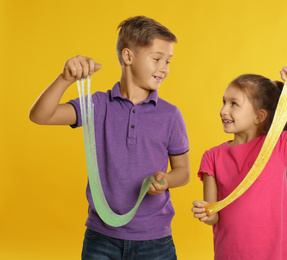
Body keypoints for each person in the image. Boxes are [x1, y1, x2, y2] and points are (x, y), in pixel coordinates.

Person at [29, 16, 190, 260]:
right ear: (128, 57)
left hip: (155, 240)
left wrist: (166, 180)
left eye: (168, 61)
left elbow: (183, 171)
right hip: (101, 238)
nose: (164, 68)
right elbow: (41, 115)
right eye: (157, 59)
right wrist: (65, 79)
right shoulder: (97, 105)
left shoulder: (170, 114)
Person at [192, 65, 287, 260]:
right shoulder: (212, 157)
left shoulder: (278, 145)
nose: (222, 110)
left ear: (259, 116)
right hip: (231, 255)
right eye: (224, 102)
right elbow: (213, 215)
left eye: (234, 104)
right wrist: (206, 213)